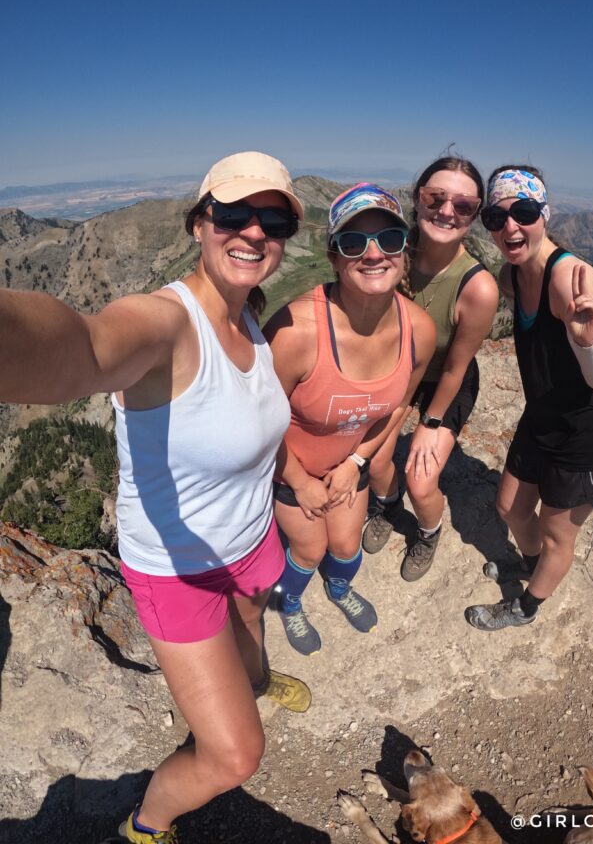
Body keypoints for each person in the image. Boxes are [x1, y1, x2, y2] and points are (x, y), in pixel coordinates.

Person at [0, 151, 311, 844]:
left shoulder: (248, 318)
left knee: (253, 630)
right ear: (199, 223)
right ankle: (147, 823)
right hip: (176, 569)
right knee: (235, 755)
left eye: (274, 218)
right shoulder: (168, 324)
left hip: (251, 540)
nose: (254, 232)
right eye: (233, 213)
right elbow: (83, 347)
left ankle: (253, 685)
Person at [265, 183, 436, 654]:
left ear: (405, 252)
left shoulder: (419, 330)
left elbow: (399, 404)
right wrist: (299, 481)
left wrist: (357, 462)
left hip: (349, 466)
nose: (374, 253)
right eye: (354, 242)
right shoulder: (295, 333)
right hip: (287, 470)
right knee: (309, 549)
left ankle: (337, 589)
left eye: (389, 239)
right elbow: (257, 424)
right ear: (335, 257)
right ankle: (287, 601)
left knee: (344, 546)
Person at [465, 165, 593, 630]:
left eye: (523, 212)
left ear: (545, 214)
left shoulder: (570, 277)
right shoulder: (513, 274)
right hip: (543, 416)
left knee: (559, 535)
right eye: (496, 218)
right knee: (511, 508)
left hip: (586, 434)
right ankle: (530, 563)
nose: (510, 226)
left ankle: (526, 607)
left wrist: (588, 338)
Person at [363, 157, 499, 580]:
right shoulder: (394, 250)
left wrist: (431, 421)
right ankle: (387, 506)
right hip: (403, 370)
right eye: (435, 198)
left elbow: (457, 367)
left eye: (463, 206)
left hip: (446, 381)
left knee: (421, 480)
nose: (446, 211)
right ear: (417, 199)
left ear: (475, 215)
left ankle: (427, 532)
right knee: (375, 460)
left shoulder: (477, 286)